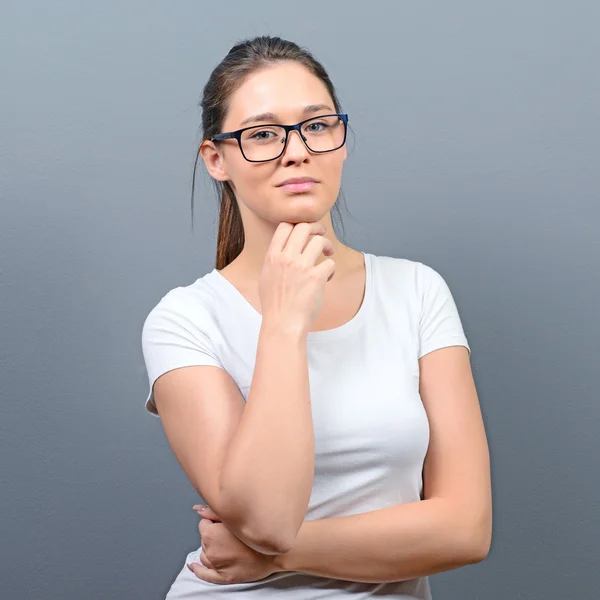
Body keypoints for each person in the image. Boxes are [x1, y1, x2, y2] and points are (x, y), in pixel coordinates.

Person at [141, 35, 492, 599]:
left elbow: (467, 530)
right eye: (261, 135)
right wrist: (284, 322)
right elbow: (267, 515)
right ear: (216, 159)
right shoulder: (184, 320)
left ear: (341, 140)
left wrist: (272, 556)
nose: (297, 151)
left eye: (317, 125)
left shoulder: (416, 291)